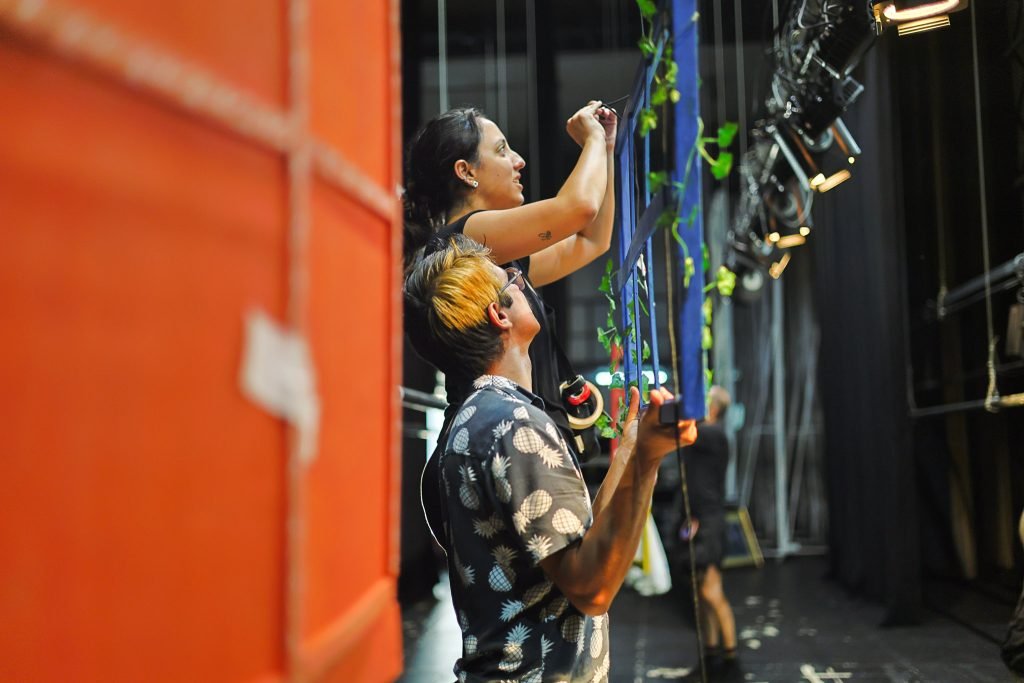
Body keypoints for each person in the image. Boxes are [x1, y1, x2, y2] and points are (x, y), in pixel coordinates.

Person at [403, 233, 697, 682]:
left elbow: (578, 545)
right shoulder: (515, 425)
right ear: (499, 314)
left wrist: (634, 449)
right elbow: (591, 587)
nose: (526, 284)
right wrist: (647, 462)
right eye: (515, 279)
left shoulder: (476, 419)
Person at [402, 101, 618, 459]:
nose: (519, 161)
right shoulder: (464, 239)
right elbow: (579, 208)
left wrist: (605, 150)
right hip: (503, 440)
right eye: (502, 150)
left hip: (516, 435)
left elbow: (591, 241)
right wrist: (593, 139)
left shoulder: (494, 257)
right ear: (466, 171)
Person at [676, 385, 738, 675]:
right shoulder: (704, 435)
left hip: (711, 523)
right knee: (701, 593)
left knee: (711, 592)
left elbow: (679, 432)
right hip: (701, 519)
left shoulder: (711, 435)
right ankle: (712, 656)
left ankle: (730, 659)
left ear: (711, 408)